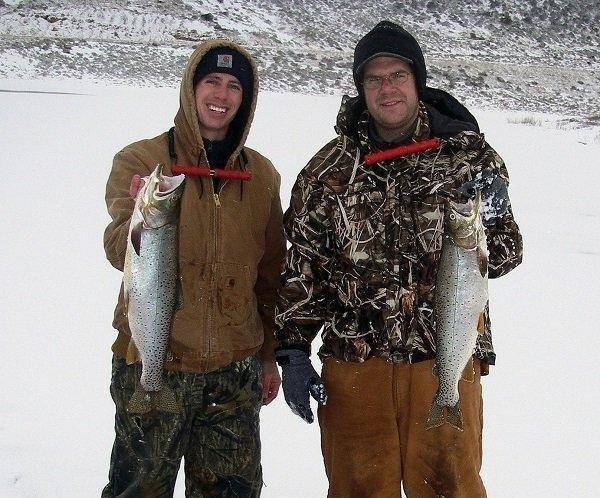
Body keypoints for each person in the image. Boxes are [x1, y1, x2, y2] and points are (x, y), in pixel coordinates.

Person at [275, 21, 523, 497]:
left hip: (445, 358)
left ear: (417, 81)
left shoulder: (467, 156)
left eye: (397, 75)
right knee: (358, 489)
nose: (387, 88)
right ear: (361, 88)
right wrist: (292, 350)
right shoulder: (329, 169)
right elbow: (302, 265)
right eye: (374, 78)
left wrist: (491, 216)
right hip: (354, 366)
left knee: (452, 487)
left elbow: (506, 254)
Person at [102, 39, 285, 497]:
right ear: (191, 88)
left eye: (233, 87)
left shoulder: (261, 176)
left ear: (245, 100)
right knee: (138, 491)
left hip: (233, 373)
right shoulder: (142, 160)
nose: (220, 96)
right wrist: (138, 219)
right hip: (153, 358)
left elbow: (270, 275)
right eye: (211, 82)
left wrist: (267, 357)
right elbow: (113, 248)